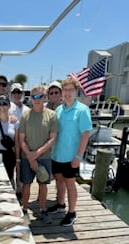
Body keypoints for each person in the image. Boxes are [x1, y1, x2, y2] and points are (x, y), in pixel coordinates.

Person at [47, 77, 92, 226]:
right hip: (57, 155)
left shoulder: (82, 110)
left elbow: (86, 134)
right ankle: (61, 204)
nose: (67, 93)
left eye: (70, 90)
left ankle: (72, 213)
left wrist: (78, 156)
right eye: (65, 90)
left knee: (70, 184)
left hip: (71, 157)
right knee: (59, 181)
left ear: (76, 91)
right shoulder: (59, 109)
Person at [19, 84, 58, 219]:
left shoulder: (52, 115)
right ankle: (24, 209)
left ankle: (42, 209)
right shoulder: (25, 115)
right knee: (26, 184)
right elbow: (21, 139)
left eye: (39, 96)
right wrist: (30, 156)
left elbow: (52, 139)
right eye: (33, 96)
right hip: (26, 156)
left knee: (43, 184)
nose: (36, 99)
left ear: (45, 97)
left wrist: (36, 154)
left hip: (45, 157)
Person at [10, 82, 30, 201]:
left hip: (24, 145)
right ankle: (12, 192)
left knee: (21, 170)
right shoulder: (6, 107)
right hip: (9, 145)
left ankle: (20, 192)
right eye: (14, 92)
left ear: (22, 93)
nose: (17, 94)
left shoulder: (27, 109)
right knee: (10, 170)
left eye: (19, 92)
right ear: (11, 94)